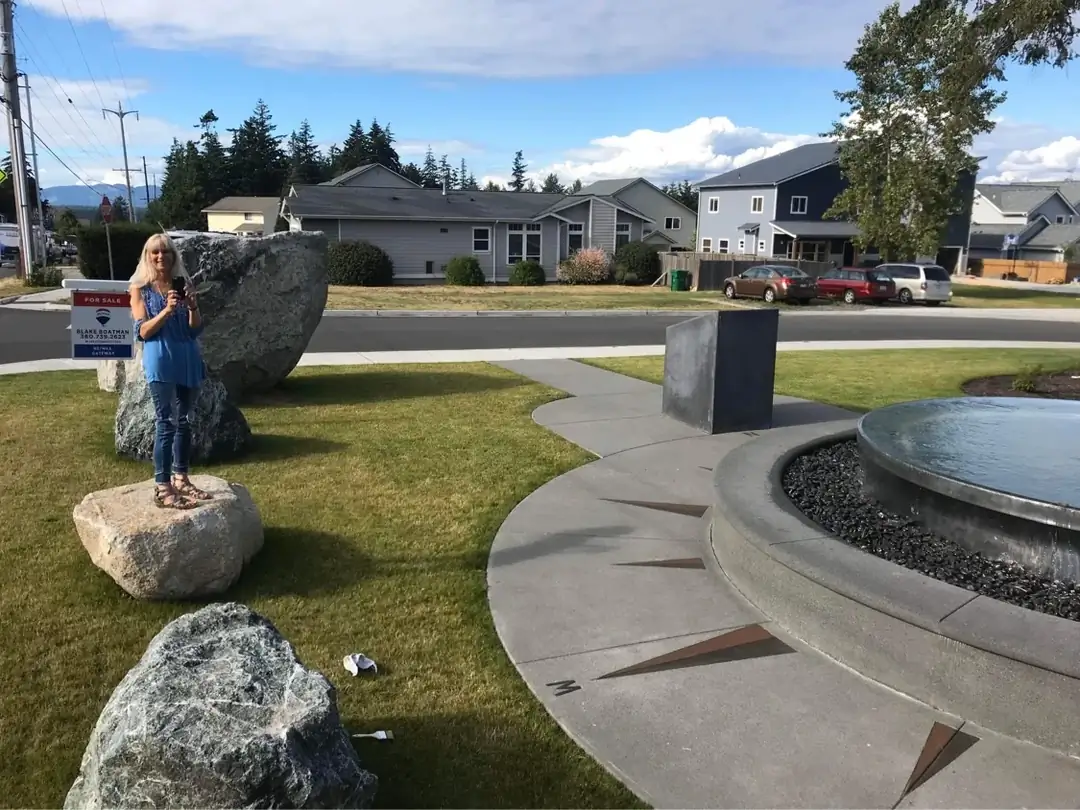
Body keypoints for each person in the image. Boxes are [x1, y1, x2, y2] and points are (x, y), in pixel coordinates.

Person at [129, 233, 213, 509]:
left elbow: (195, 329)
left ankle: (181, 477)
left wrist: (192, 306)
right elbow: (142, 332)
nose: (161, 257)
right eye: (155, 252)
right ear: (147, 256)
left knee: (185, 421)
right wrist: (166, 311)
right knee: (165, 422)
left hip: (187, 357)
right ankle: (162, 485)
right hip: (161, 359)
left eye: (166, 252)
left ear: (174, 256)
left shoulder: (183, 284)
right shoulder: (139, 288)